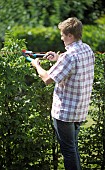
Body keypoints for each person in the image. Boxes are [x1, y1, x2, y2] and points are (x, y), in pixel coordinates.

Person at [31, 17, 95, 170]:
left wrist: (36, 65)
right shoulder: (86, 49)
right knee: (73, 148)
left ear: (70, 35)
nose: (61, 38)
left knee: (68, 151)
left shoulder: (69, 56)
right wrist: (58, 58)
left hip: (65, 113)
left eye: (62, 35)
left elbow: (47, 79)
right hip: (80, 110)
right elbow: (73, 66)